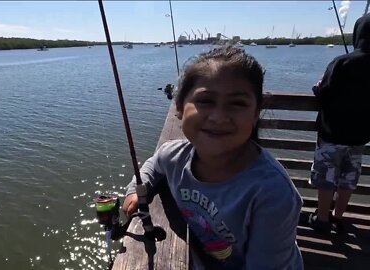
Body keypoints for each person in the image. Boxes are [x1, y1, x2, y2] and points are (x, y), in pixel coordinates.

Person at [122, 46, 303, 269]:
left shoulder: (272, 193)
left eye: (237, 103)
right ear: (179, 107)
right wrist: (135, 190)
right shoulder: (173, 155)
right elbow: (153, 164)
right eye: (205, 101)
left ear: (256, 114)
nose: (219, 117)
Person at [308, 13, 370, 234]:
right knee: (349, 176)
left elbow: (324, 92)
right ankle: (338, 216)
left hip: (331, 134)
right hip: (360, 137)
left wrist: (317, 87)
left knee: (326, 176)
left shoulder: (342, 62)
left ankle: (322, 219)